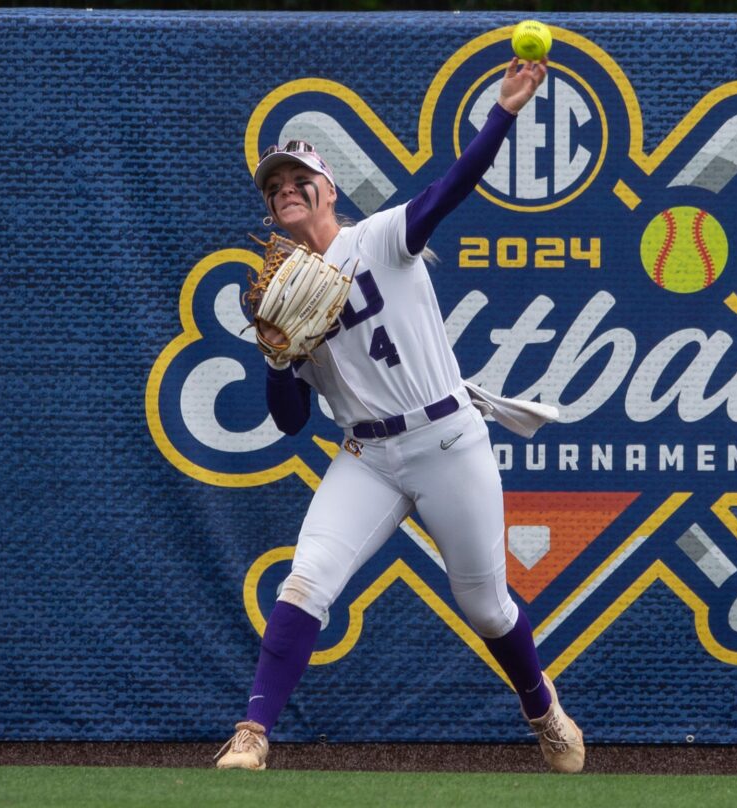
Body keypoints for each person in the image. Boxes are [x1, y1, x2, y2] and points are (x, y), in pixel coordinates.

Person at [216, 57, 584, 774]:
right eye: (275, 187)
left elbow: (450, 190)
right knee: (307, 579)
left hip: (448, 439)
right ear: (270, 211)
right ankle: (253, 735)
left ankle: (541, 706)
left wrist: (503, 112)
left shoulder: (379, 238)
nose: (287, 191)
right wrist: (276, 356)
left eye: (300, 181)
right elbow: (292, 421)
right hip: (368, 457)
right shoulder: (277, 293)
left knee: (485, 608)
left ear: (328, 192)